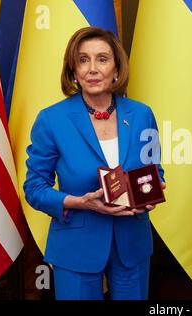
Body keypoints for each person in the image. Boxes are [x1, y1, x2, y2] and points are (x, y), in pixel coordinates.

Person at [23, 26, 164, 300]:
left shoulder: (142, 115)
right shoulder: (51, 120)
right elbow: (34, 188)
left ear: (116, 68)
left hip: (132, 243)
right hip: (76, 246)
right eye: (83, 60)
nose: (92, 68)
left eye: (102, 59)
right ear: (73, 70)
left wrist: (152, 191)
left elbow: (154, 172)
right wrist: (79, 202)